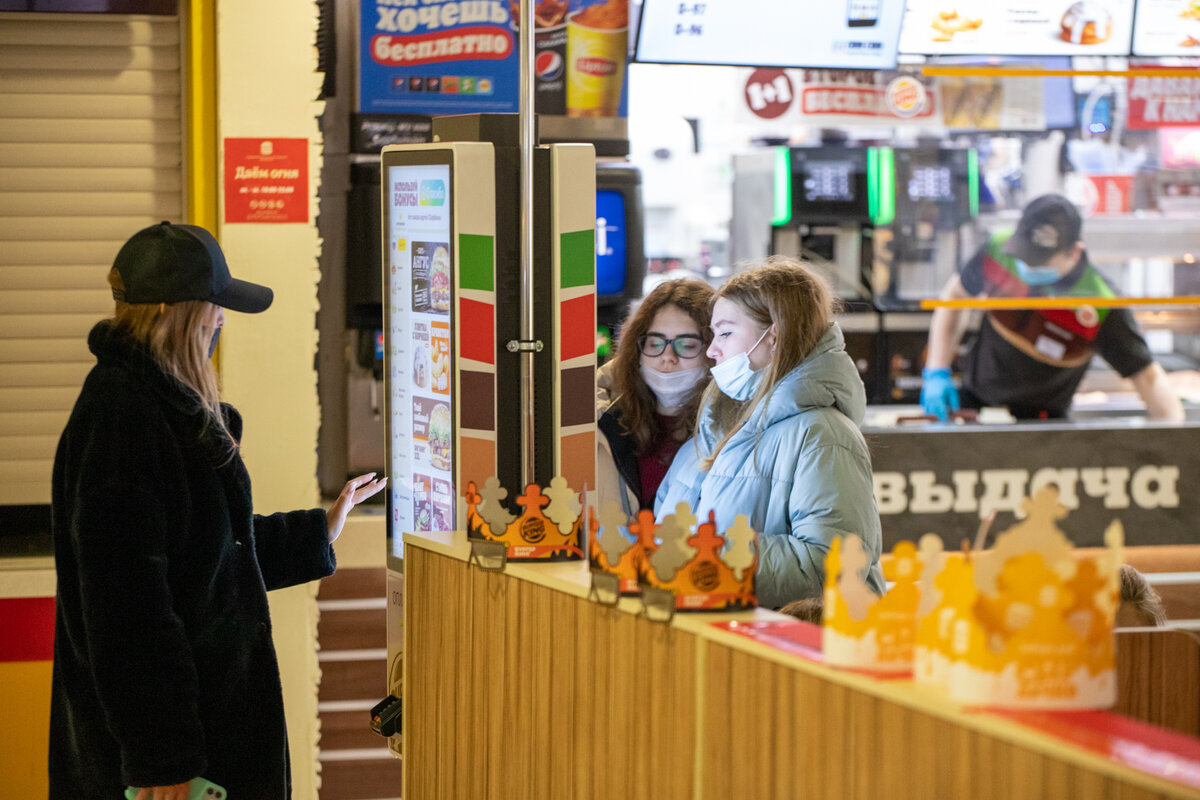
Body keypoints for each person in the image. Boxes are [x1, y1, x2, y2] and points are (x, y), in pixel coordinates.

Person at [49, 221, 387, 800]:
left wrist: (316, 532)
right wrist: (163, 762)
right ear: (179, 313)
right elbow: (127, 613)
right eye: (215, 307)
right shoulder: (123, 421)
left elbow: (205, 554)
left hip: (203, 741)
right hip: (179, 762)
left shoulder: (159, 406)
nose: (223, 320)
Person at [655, 258, 886, 609]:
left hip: (790, 654)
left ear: (773, 334)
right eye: (713, 334)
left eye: (727, 332)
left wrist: (712, 559)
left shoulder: (822, 436)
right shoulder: (713, 431)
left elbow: (833, 565)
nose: (713, 349)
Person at [922, 194, 1184, 422]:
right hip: (975, 405)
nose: (1029, 269)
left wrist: (1173, 442)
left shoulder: (1101, 303)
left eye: (1042, 262)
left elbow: (1146, 376)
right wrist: (936, 371)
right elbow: (953, 298)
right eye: (1026, 258)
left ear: (1075, 253)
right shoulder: (998, 250)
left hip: (1045, 423)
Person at [597, 279, 715, 515]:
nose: (667, 356)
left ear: (714, 350)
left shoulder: (732, 430)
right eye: (655, 343)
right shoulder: (601, 417)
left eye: (687, 345)